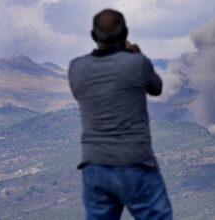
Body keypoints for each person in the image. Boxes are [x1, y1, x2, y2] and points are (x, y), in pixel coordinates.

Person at [68, 9, 172, 220]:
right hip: (135, 164)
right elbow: (156, 87)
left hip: (94, 167)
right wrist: (136, 55)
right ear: (125, 34)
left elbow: (82, 95)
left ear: (93, 36)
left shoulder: (76, 68)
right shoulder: (137, 63)